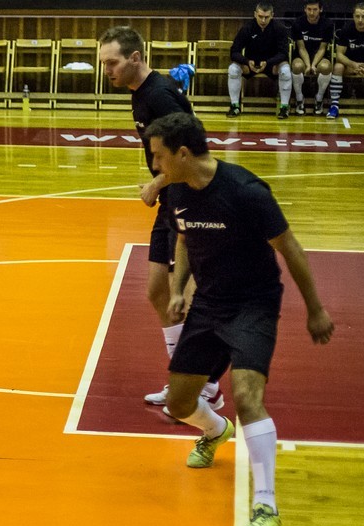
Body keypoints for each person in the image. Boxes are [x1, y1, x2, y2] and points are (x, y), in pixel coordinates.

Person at [145, 112, 334, 526]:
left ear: (183, 153)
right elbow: (184, 239)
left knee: (248, 397)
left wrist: (315, 310)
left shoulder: (246, 191)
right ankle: (215, 431)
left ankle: (266, 505)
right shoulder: (178, 191)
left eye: (158, 157)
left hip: (254, 304)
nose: (155, 166)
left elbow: (291, 248)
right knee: (178, 403)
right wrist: (177, 288)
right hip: (209, 303)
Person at [98, 26, 225, 414]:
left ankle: (205, 385)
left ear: (135, 58)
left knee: (184, 297)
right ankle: (184, 378)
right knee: (157, 291)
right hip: (170, 201)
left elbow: (193, 148)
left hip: (188, 201)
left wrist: (157, 181)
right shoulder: (141, 92)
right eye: (103, 64)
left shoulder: (158, 94)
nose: (107, 71)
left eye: (112, 63)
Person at [226, 3, 293, 119]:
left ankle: (284, 107)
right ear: (255, 14)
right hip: (250, 64)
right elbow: (234, 52)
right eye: (260, 16)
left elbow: (283, 53)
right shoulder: (247, 28)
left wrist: (269, 63)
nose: (263, 20)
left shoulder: (279, 28)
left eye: (266, 17)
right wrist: (246, 61)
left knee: (286, 70)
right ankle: (234, 106)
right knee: (233, 69)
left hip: (271, 64)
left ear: (272, 15)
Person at [291, 1, 335, 115]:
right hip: (302, 55)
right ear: (305, 9)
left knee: (326, 67)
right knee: (297, 66)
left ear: (320, 9)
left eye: (315, 9)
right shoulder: (297, 23)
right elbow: (301, 48)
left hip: (320, 55)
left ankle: (319, 98)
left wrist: (314, 65)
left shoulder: (328, 24)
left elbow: (322, 48)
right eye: (309, 9)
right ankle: (299, 99)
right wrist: (308, 65)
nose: (311, 12)